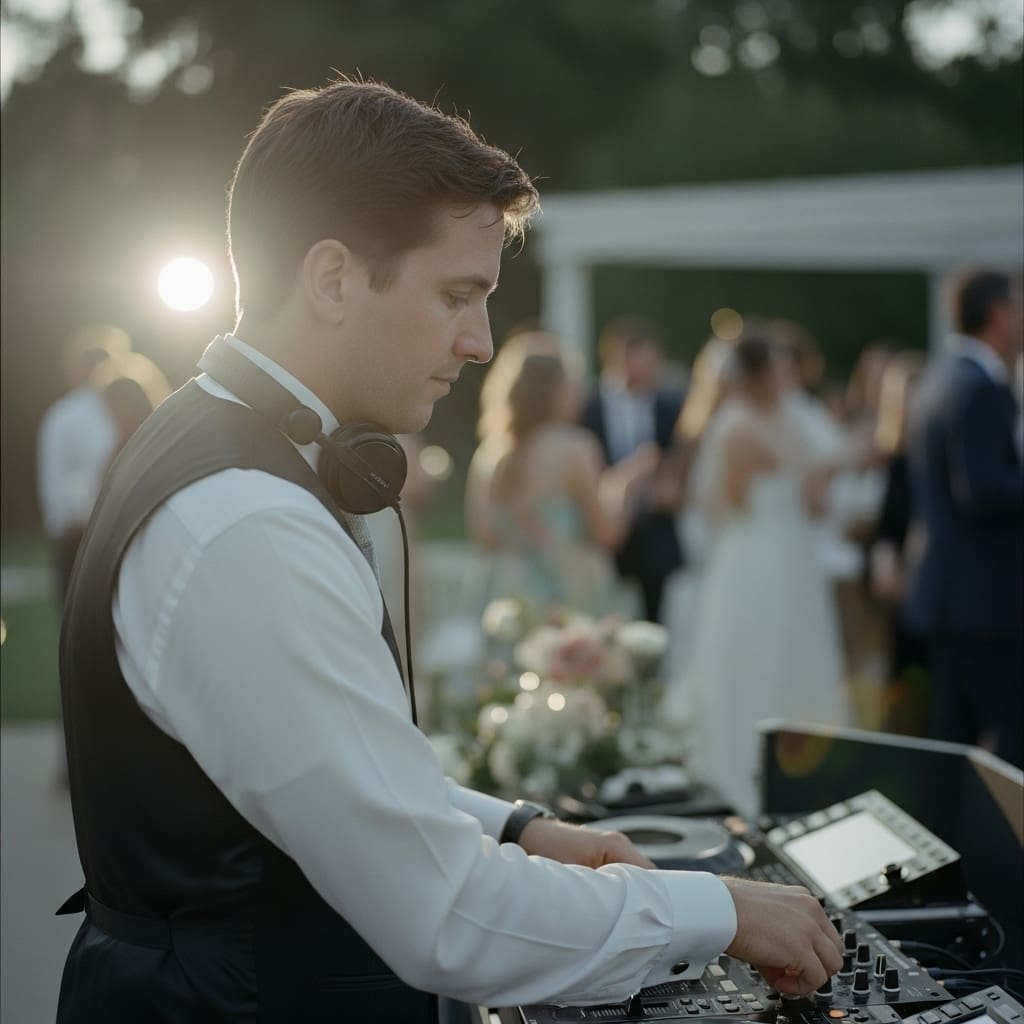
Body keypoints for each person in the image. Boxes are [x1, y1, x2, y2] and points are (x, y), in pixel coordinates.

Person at [56, 77, 841, 1022]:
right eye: (457, 296)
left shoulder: (218, 446)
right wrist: (713, 908)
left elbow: (323, 769)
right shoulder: (248, 523)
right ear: (334, 278)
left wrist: (519, 826)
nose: (479, 343)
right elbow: (447, 916)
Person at [681, 334, 849, 818]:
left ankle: (803, 777)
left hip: (791, 558)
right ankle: (744, 778)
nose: (786, 375)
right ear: (757, 374)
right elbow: (734, 502)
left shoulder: (786, 419)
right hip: (756, 560)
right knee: (756, 662)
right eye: (777, 366)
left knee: (796, 661)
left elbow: (815, 493)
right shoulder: (740, 428)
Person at [905, 269, 1024, 767]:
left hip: (951, 596)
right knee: (1010, 741)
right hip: (985, 603)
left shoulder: (941, 376)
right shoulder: (979, 388)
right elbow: (983, 494)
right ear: (998, 313)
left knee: (951, 743)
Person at [467, 330, 651, 616]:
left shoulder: (490, 454)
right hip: (568, 597)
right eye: (572, 384)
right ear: (553, 391)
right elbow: (606, 535)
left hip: (512, 599)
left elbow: (486, 537)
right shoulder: (575, 448)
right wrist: (625, 485)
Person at [580, 317, 685, 622]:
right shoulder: (586, 405)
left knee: (656, 622)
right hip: (601, 528)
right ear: (617, 356)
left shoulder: (671, 405)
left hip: (654, 531)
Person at [36, 324, 128, 603]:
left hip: (96, 530)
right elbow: (54, 479)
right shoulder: (65, 415)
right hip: (85, 534)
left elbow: (51, 481)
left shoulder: (64, 415)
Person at [867, 350, 930, 736]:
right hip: (903, 586)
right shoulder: (896, 457)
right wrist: (884, 555)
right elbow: (888, 523)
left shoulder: (931, 454)